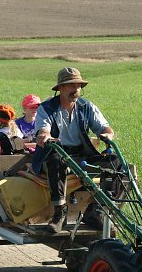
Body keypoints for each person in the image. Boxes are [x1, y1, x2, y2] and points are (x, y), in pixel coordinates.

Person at [33, 67, 116, 233]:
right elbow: (43, 129)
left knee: (115, 161)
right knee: (56, 159)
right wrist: (45, 135)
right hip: (56, 152)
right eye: (72, 85)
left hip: (81, 154)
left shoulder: (86, 106)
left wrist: (107, 134)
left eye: (78, 86)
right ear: (61, 87)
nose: (76, 89)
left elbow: (104, 127)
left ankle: (96, 210)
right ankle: (59, 213)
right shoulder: (47, 108)